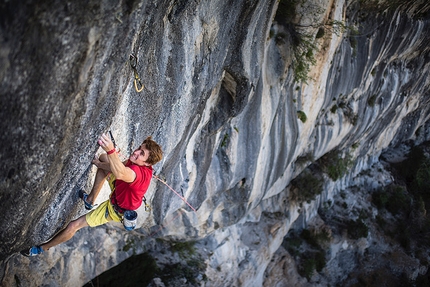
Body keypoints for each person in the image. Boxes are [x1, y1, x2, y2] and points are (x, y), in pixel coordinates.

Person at [21, 133, 163, 256]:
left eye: (141, 154)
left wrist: (111, 151)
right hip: (119, 189)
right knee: (102, 158)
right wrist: (98, 163)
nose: (136, 152)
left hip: (115, 208)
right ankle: (90, 200)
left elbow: (120, 172)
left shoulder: (138, 174)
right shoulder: (135, 163)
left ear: (147, 163)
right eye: (139, 148)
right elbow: (115, 168)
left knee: (73, 226)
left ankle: (42, 249)